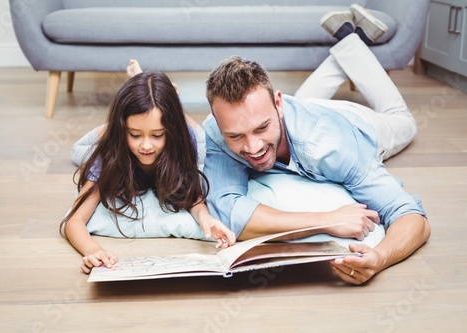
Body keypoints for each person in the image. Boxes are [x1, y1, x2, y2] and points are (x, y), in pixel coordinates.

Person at [202, 4, 431, 285]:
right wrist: (325, 220)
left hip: (357, 122)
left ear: (278, 105)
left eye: (262, 128)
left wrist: (379, 257)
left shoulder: (331, 144)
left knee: (404, 120)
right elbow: (229, 210)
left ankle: (350, 39)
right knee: (294, 111)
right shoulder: (218, 129)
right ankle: (350, 37)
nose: (252, 147)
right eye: (235, 136)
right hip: (303, 110)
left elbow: (410, 215)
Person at [61, 66, 235, 274]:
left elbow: (192, 194)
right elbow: (74, 220)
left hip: (185, 134)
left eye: (157, 135)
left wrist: (205, 218)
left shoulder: (184, 141)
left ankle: (174, 106)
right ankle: (122, 121)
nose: (146, 146)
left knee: (206, 147)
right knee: (78, 152)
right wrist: (93, 250)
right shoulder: (110, 153)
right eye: (135, 135)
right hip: (111, 136)